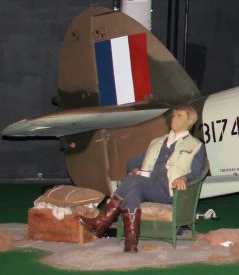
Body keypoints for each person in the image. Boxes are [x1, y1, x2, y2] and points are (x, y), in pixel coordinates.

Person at [78, 105, 207, 252]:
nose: (173, 118)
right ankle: (131, 243)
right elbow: (132, 162)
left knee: (134, 181)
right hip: (149, 186)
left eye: (179, 116)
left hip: (170, 191)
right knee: (133, 192)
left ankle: (101, 222)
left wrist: (183, 178)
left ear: (190, 122)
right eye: (174, 115)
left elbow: (196, 172)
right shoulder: (157, 142)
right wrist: (134, 169)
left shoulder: (196, 146)